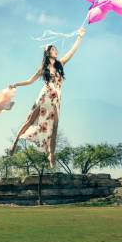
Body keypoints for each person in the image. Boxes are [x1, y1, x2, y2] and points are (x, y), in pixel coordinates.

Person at [8, 27, 86, 168]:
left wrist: (80, 37)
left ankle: (51, 155)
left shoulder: (60, 64)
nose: (56, 51)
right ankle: (15, 143)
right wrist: (16, 84)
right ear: (48, 52)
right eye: (54, 49)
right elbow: (30, 80)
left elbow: (72, 52)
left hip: (56, 98)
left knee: (54, 127)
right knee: (30, 120)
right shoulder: (42, 69)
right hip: (45, 96)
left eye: (56, 49)